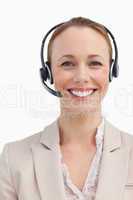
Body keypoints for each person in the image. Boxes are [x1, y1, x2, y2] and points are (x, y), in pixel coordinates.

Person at [0, 16, 133, 200]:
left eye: (95, 63)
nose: (81, 77)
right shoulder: (14, 158)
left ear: (111, 71)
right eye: (67, 64)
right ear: (48, 73)